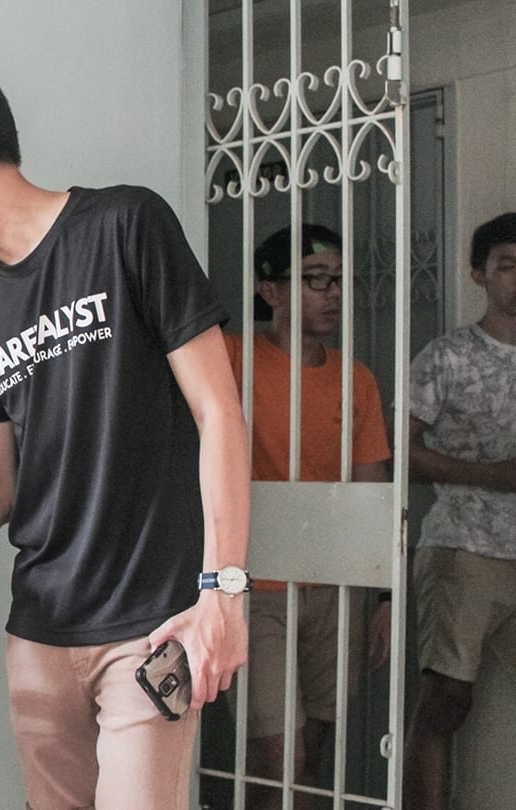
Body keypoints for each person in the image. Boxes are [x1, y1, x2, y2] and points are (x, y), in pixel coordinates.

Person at [0, 60, 250, 809]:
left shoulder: (126, 224)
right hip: (38, 636)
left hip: (150, 624)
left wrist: (224, 589)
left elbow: (220, 412)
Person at [227, 225, 392, 808]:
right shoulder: (231, 359)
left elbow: (371, 492)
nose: (332, 294)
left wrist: (382, 598)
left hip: (334, 585)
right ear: (270, 291)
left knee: (310, 749)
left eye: (340, 281)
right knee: (282, 753)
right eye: (315, 279)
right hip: (256, 581)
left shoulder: (358, 379)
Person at [403, 212, 516, 809]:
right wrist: (489, 476)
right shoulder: (448, 356)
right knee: (447, 698)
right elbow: (403, 452)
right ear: (480, 273)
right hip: (463, 547)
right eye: (507, 265)